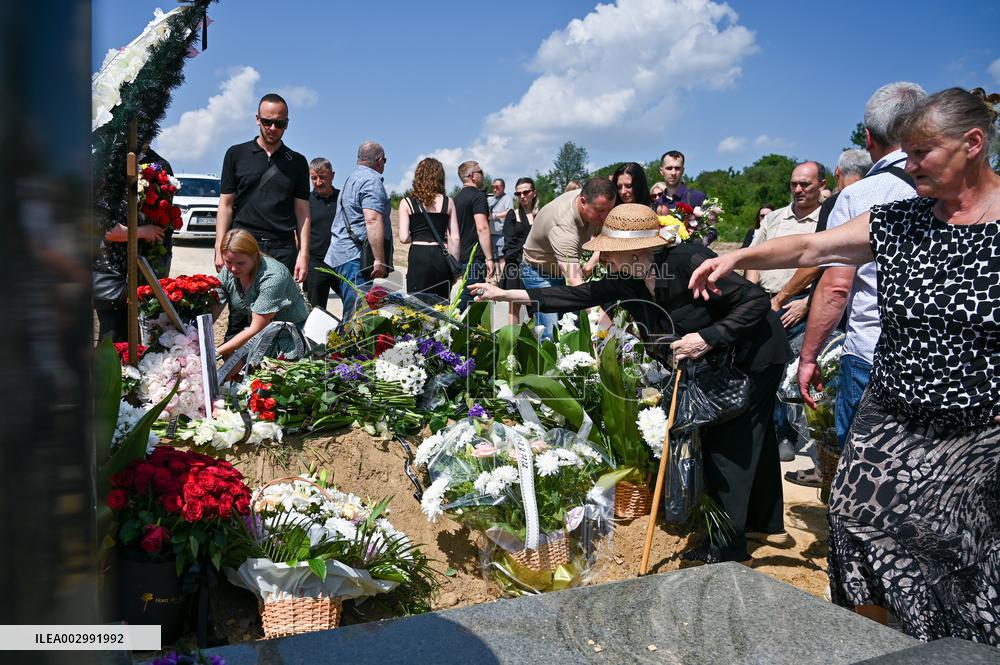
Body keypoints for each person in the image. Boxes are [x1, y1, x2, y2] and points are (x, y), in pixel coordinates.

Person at [688, 86, 1000, 645]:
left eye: (922, 152)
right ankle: (874, 647)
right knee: (856, 516)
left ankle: (957, 650)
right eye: (904, 152)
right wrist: (738, 255)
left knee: (965, 548)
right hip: (893, 410)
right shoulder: (902, 220)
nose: (908, 165)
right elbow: (813, 250)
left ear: (972, 144)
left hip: (979, 425)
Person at [472, 204, 791, 563]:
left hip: (756, 355)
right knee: (752, 439)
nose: (601, 260)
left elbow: (754, 303)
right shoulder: (630, 277)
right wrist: (504, 294)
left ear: (635, 252)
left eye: (607, 253)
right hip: (723, 361)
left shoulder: (687, 262)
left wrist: (708, 337)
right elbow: (575, 296)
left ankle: (727, 546)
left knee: (727, 443)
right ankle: (760, 521)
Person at [790, 82, 925, 490]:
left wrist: (809, 356)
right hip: (940, 363)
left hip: (870, 352)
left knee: (863, 478)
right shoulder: (957, 192)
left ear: (868, 138)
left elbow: (836, 288)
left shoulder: (861, 196)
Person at [747, 161, 825, 465]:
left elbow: (827, 265)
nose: (798, 189)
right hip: (767, 305)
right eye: (794, 183)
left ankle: (804, 435)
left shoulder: (828, 220)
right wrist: (751, 295)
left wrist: (806, 301)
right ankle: (774, 431)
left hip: (803, 307)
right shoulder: (777, 218)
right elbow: (754, 255)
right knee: (767, 370)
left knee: (796, 377)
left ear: (821, 184)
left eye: (805, 184)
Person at [215, 93, 311, 282]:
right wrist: (219, 248)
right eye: (267, 122)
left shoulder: (298, 162)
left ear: (287, 123)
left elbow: (303, 212)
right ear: (257, 119)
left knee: (278, 309)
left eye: (279, 123)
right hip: (242, 245)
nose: (272, 128)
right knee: (240, 308)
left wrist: (304, 254)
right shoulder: (236, 154)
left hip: (282, 248)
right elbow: (225, 204)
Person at [519, 177, 616, 338]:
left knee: (570, 329)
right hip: (538, 271)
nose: (605, 218)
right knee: (549, 332)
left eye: (609, 210)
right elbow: (574, 280)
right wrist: (603, 320)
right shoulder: (563, 226)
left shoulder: (592, 200)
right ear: (583, 201)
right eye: (600, 211)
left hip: (562, 268)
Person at [325, 141, 393, 322]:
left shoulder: (352, 178)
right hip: (355, 257)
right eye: (384, 160)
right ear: (379, 161)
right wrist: (379, 258)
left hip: (344, 255)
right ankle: (344, 350)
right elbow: (372, 220)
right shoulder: (371, 181)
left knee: (355, 312)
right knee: (358, 316)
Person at [215, 229, 309, 361]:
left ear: (255, 256)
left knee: (232, 354)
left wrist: (214, 353)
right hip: (262, 334)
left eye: (240, 263)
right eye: (228, 262)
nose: (233, 269)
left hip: (289, 338)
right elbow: (214, 304)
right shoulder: (228, 271)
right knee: (229, 355)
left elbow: (256, 327)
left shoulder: (273, 277)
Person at [398, 157, 460, 304]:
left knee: (416, 306)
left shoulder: (406, 203)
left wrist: (419, 235)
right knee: (441, 306)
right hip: (441, 256)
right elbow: (455, 238)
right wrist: (454, 267)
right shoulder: (448, 202)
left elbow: (403, 237)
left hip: (419, 255)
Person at [454, 160, 496, 311]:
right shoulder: (478, 197)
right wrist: (490, 258)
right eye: (481, 173)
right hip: (475, 258)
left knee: (467, 297)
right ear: (472, 176)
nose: (483, 176)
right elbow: (482, 227)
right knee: (470, 302)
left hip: (460, 257)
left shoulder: (456, 199)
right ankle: (453, 329)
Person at [304, 157, 340, 310]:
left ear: (332, 175)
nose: (318, 182)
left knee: (356, 305)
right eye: (314, 178)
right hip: (316, 264)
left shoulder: (343, 198)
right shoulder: (305, 202)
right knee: (316, 311)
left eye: (323, 177)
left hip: (341, 262)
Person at [501, 177, 538, 324]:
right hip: (515, 265)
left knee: (538, 305)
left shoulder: (541, 214)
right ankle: (511, 343)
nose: (522, 196)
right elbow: (508, 244)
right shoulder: (513, 214)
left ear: (534, 193)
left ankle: (538, 343)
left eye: (526, 192)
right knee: (514, 305)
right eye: (518, 193)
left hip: (538, 266)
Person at [488, 178, 513, 265]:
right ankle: (497, 277)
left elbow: (509, 213)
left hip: (501, 235)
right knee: (494, 259)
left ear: (503, 187)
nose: (495, 189)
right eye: (493, 187)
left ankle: (502, 278)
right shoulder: (490, 199)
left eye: (497, 187)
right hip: (491, 234)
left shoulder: (507, 198)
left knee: (502, 259)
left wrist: (494, 216)